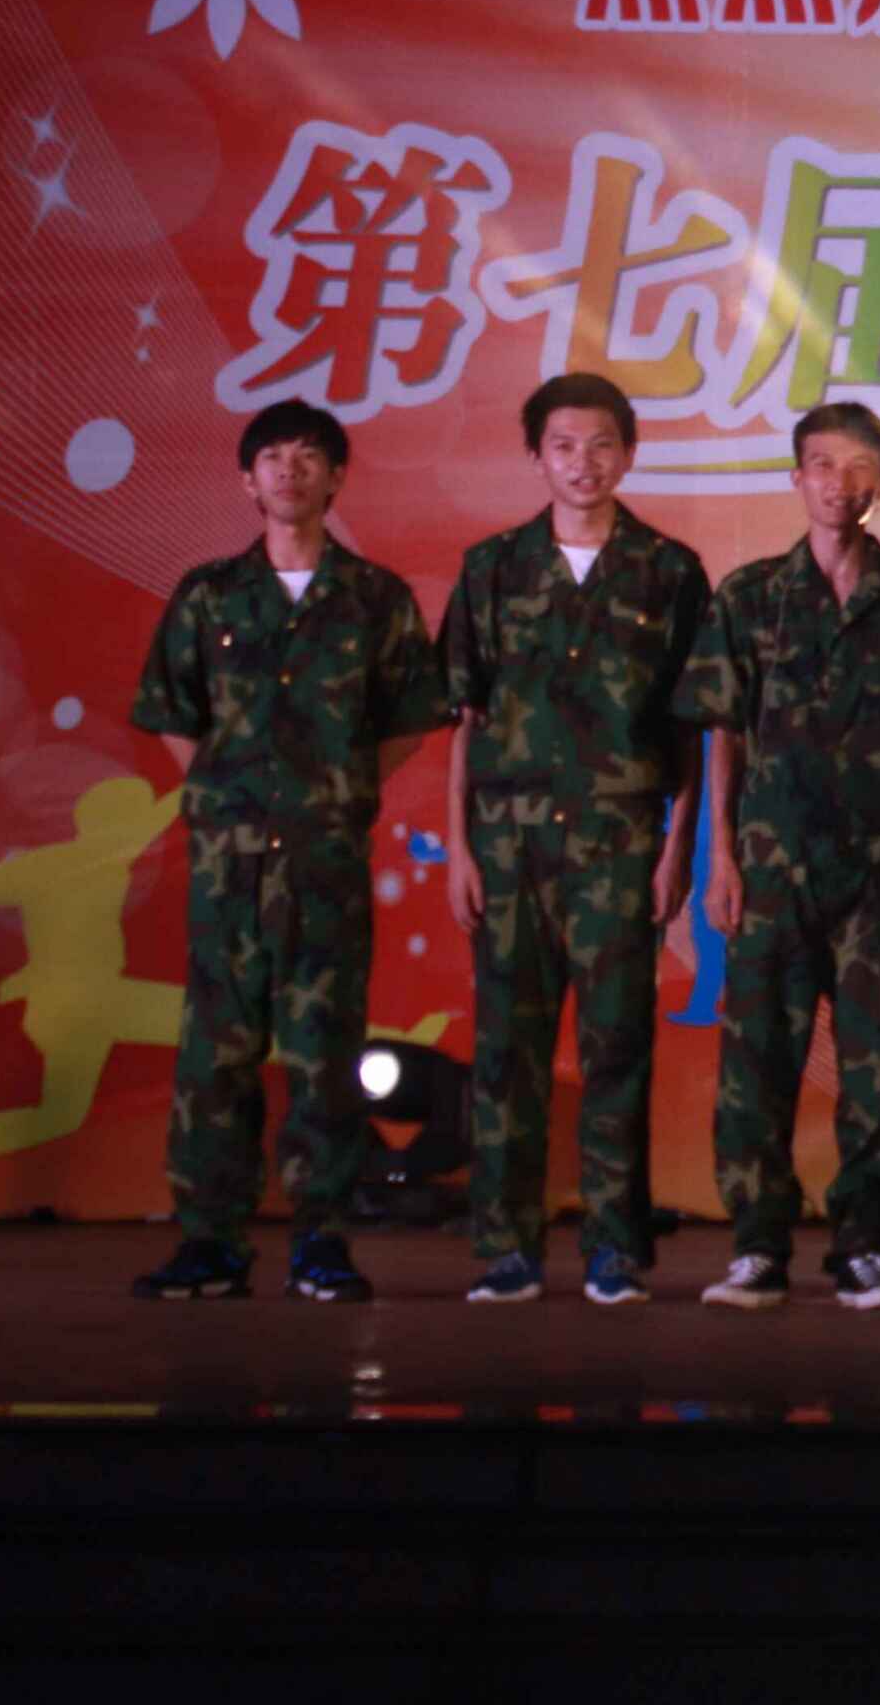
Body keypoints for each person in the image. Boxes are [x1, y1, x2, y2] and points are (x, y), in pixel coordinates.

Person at [124, 400, 452, 1305]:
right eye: (273, 457)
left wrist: (338, 787)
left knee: (323, 1053)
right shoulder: (209, 594)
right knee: (216, 1053)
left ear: (336, 477)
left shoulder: (374, 597)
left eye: (310, 457)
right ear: (247, 478)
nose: (290, 471)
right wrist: (224, 786)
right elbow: (170, 711)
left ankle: (321, 1242)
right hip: (229, 864)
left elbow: (411, 718)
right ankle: (210, 1242)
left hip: (324, 862)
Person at [434, 373, 709, 1307]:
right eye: (563, 445)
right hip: (507, 849)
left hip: (620, 844)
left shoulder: (669, 572)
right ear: (536, 456)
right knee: (506, 1052)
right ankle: (507, 1249)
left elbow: (690, 727)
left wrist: (676, 849)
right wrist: (459, 850)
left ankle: (614, 1250)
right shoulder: (492, 568)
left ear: (627, 454)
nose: (582, 463)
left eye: (600, 445)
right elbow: (465, 721)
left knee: (616, 1049)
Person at [677, 403, 880, 1314]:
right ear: (797, 478)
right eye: (823, 464)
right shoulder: (750, 594)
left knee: (878, 1062)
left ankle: (863, 1245)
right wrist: (720, 859)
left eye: (858, 465)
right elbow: (723, 733)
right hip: (770, 863)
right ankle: (757, 1245)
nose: (840, 482)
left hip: (876, 864)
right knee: (757, 1060)